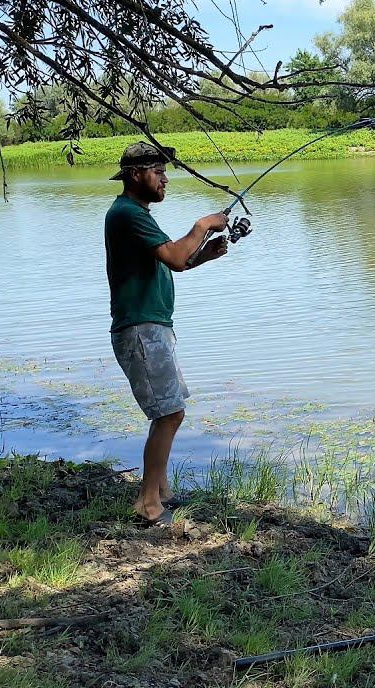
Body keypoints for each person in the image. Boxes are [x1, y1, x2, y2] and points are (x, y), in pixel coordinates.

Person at [104, 142, 241, 524]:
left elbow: (174, 262)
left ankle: (161, 490)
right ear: (135, 175)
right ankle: (148, 503)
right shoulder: (128, 213)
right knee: (169, 413)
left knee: (172, 408)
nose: (165, 179)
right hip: (141, 329)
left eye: (165, 172)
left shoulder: (135, 214)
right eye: (158, 172)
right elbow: (175, 255)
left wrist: (204, 255)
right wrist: (201, 227)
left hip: (152, 327)